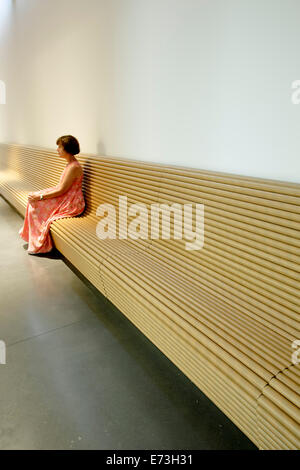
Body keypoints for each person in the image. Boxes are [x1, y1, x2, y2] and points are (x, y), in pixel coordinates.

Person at [19, 135, 85, 254]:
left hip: (71, 202)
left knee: (35, 205)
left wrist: (41, 196)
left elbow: (62, 190)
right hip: (66, 195)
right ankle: (33, 237)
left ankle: (40, 242)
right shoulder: (70, 164)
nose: (57, 149)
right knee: (32, 199)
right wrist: (39, 194)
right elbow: (61, 188)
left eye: (60, 147)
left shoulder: (73, 167)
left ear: (68, 149)